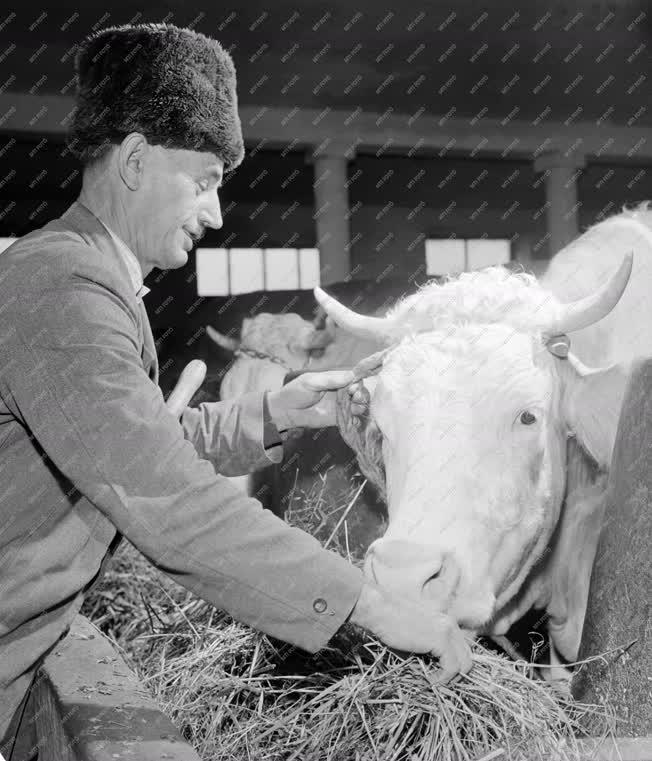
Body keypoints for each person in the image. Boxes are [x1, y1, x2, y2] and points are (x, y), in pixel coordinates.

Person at [0, 23, 471, 756]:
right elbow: (165, 495)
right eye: (206, 180)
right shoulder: (64, 286)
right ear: (133, 161)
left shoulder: (86, 279)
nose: (216, 213)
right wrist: (368, 601)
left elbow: (123, 442)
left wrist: (270, 412)